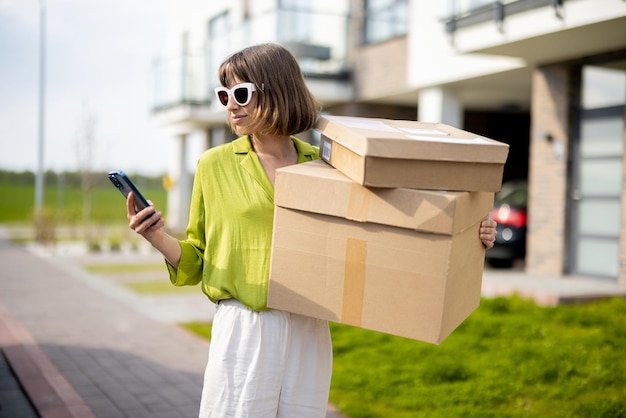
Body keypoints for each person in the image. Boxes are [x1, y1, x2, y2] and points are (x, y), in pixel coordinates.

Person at [126, 42, 498, 418]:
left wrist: (471, 231)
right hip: (246, 329)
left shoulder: (324, 164)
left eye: (240, 93)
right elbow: (198, 259)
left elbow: (393, 223)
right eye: (224, 95)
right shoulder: (214, 165)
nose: (230, 105)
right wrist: (156, 235)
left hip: (309, 325)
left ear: (277, 91)